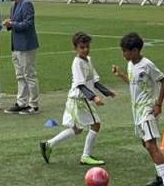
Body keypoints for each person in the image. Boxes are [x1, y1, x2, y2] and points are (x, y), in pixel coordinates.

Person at [110, 32, 164, 186]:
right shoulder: (131, 64)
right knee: (145, 143)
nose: (123, 54)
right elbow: (134, 83)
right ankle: (160, 176)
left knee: (151, 145)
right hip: (137, 111)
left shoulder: (147, 65)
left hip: (147, 110)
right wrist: (120, 75)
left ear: (135, 50)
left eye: (125, 51)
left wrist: (158, 104)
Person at [40, 32, 115, 166]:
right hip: (79, 100)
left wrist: (107, 92)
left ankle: (48, 144)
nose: (85, 49)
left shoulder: (88, 60)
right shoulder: (77, 63)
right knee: (96, 125)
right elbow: (80, 85)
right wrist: (95, 97)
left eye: (87, 46)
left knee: (77, 129)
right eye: (82, 47)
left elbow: (94, 80)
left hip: (78, 100)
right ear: (75, 48)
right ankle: (85, 156)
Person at [3, 0, 40, 115]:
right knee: (20, 75)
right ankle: (21, 102)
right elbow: (17, 23)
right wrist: (10, 24)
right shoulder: (14, 5)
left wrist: (12, 24)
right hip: (16, 45)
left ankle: (33, 104)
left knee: (29, 75)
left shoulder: (26, 4)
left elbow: (28, 24)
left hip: (26, 45)